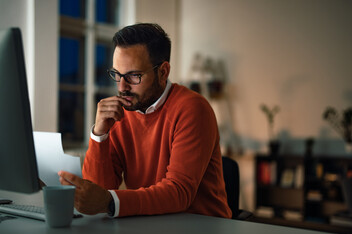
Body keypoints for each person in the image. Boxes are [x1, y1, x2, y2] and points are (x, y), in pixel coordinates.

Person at [59, 23, 232, 219]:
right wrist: (99, 135)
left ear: (163, 72)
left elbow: (178, 193)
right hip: (148, 225)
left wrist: (109, 202)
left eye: (134, 76)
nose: (122, 87)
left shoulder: (192, 108)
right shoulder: (121, 111)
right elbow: (97, 195)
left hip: (201, 229)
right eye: (117, 74)